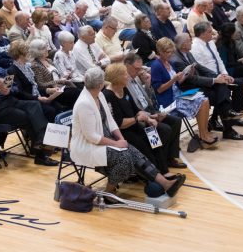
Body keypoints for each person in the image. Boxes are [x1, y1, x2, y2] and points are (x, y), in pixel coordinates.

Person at [70, 67, 185, 196]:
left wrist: (120, 139)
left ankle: (165, 182)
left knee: (138, 149)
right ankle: (109, 192)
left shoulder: (101, 94)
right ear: (101, 84)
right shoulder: (85, 103)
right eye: (125, 74)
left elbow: (111, 121)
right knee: (125, 157)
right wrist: (117, 143)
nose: (129, 76)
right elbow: (91, 136)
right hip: (89, 145)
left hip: (112, 134)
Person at [0, 47, 56, 165]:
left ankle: (40, 142)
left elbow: (15, 88)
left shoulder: (0, 70)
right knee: (28, 116)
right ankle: (41, 151)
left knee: (35, 105)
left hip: (9, 101)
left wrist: (9, 91)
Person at [103, 63, 178, 175]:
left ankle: (164, 171)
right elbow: (119, 124)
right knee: (146, 147)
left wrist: (148, 119)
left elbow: (136, 109)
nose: (127, 76)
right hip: (123, 132)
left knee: (154, 138)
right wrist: (137, 119)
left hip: (135, 124)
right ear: (117, 77)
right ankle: (155, 175)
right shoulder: (108, 95)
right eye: (125, 74)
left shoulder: (124, 88)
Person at [151, 37, 217, 147]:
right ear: (160, 52)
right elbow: (159, 89)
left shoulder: (169, 63)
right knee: (202, 101)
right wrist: (174, 79)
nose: (170, 54)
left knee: (204, 100)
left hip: (178, 94)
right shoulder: (156, 66)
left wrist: (185, 75)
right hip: (169, 101)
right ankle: (203, 135)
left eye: (172, 52)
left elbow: (177, 83)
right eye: (168, 52)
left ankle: (203, 133)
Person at [8, 40, 57, 126]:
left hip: (37, 96)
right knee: (50, 111)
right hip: (28, 101)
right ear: (20, 55)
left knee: (57, 105)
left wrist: (49, 90)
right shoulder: (12, 70)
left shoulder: (27, 66)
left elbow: (35, 86)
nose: (29, 53)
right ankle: (46, 135)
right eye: (27, 51)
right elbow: (20, 93)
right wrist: (37, 98)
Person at [29, 39, 81, 111]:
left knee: (80, 89)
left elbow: (57, 76)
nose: (48, 49)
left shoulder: (49, 60)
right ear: (38, 51)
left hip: (62, 87)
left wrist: (64, 77)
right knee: (77, 93)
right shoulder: (35, 65)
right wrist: (59, 81)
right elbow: (41, 84)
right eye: (45, 48)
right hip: (53, 91)